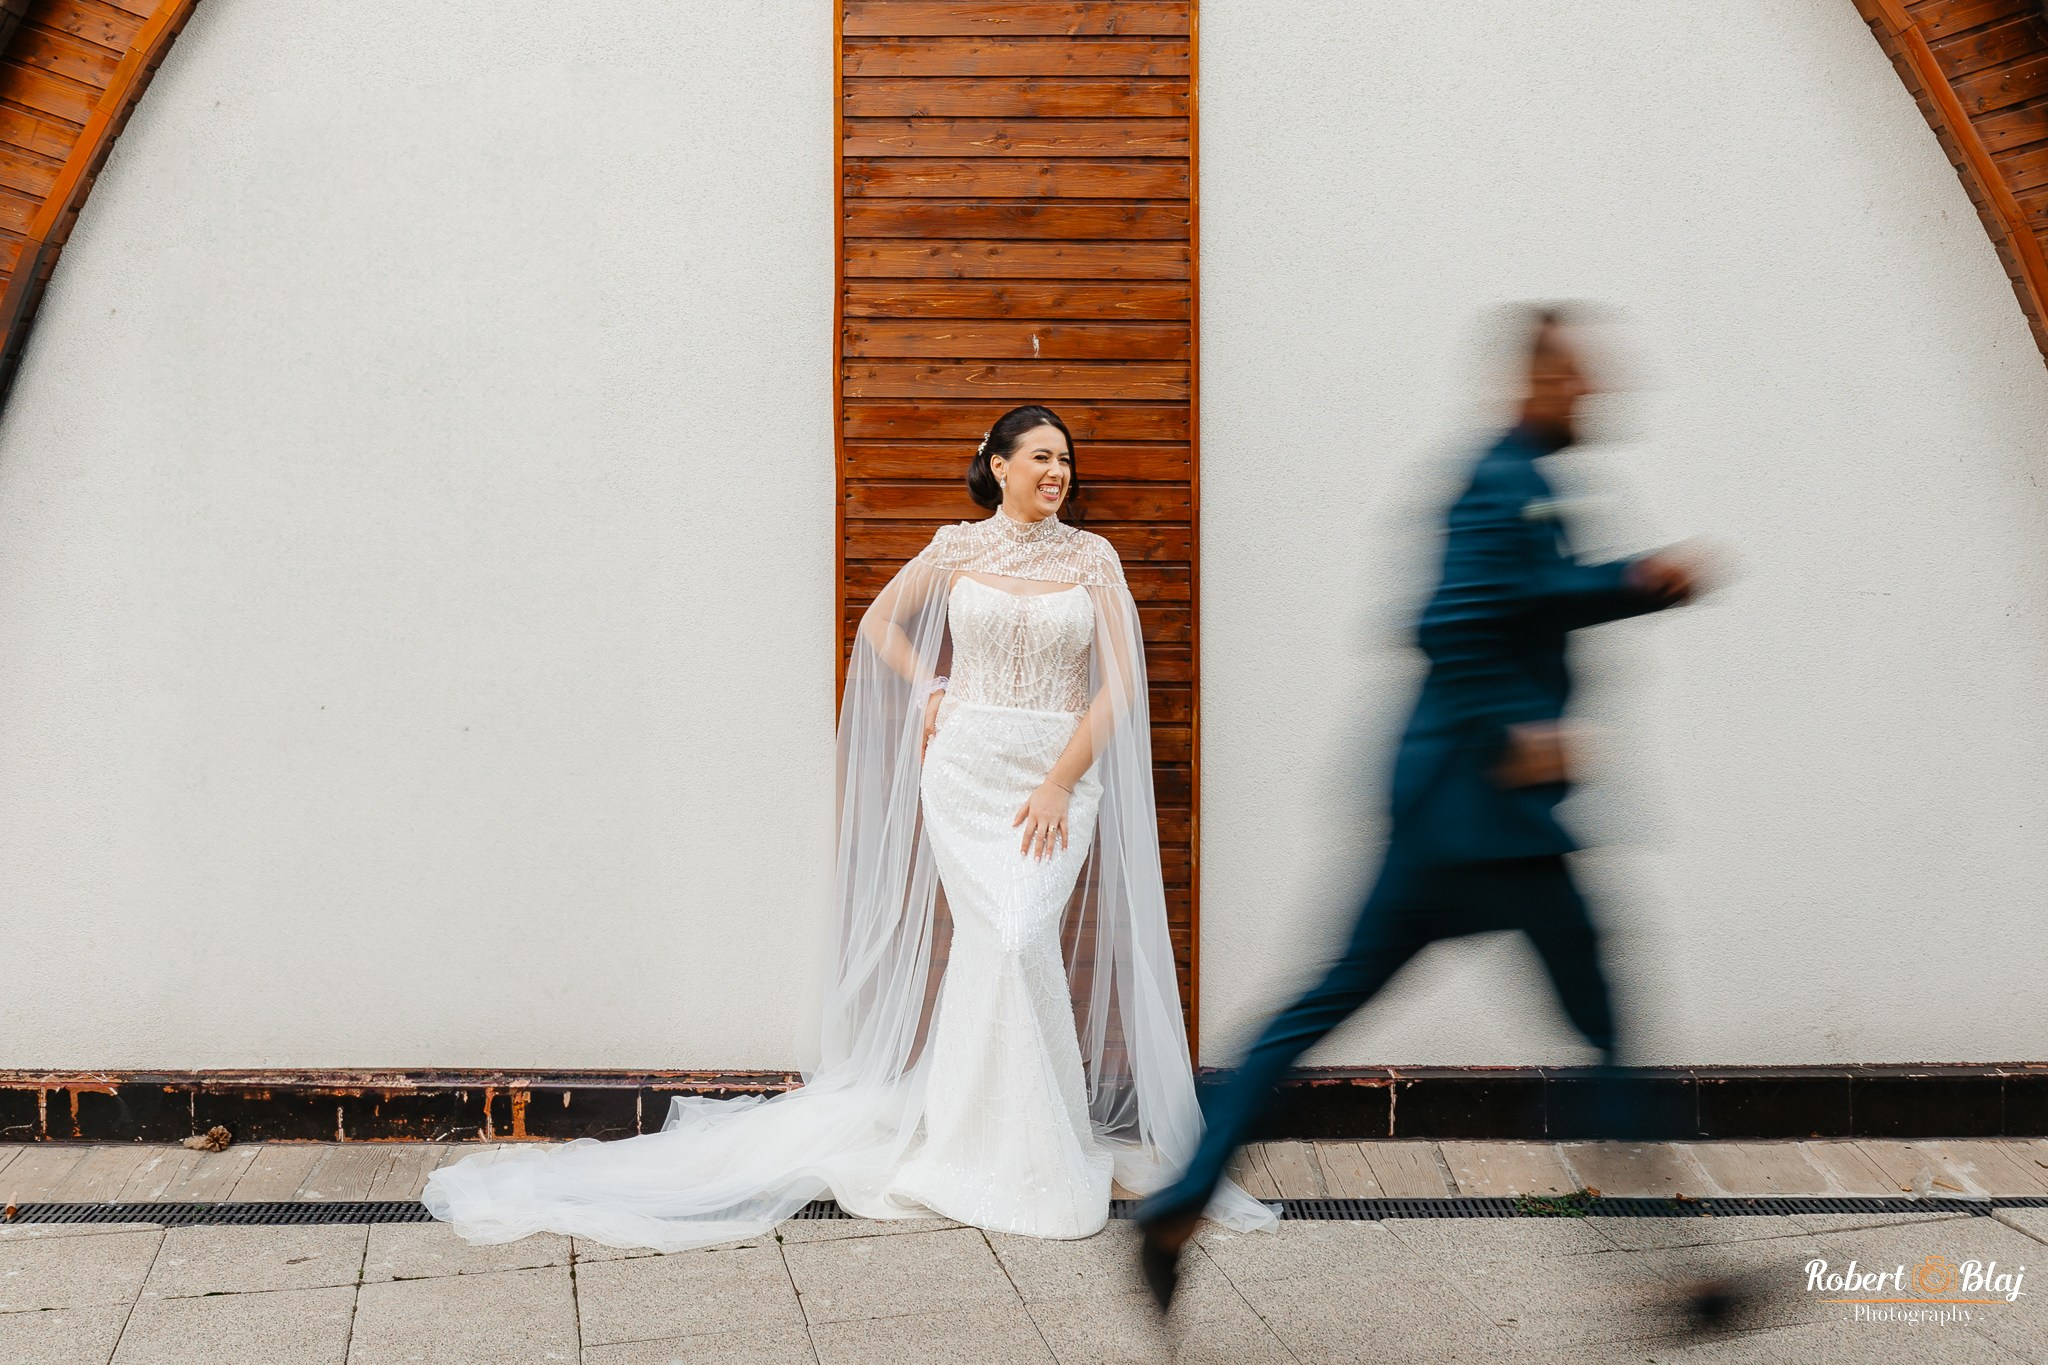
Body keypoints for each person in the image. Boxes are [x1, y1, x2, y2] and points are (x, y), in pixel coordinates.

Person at [424, 404, 1273, 1249]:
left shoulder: (1093, 559)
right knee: (998, 945)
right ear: (1001, 465)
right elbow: (879, 626)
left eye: (1066, 461)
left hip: (1053, 779)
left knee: (1019, 940)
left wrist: (1059, 781)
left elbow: (1119, 687)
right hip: (967, 772)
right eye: (1042, 457)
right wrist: (930, 690)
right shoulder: (956, 547)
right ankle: (989, 1140)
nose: (1058, 473)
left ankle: (1027, 1137)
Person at [1136, 309, 1705, 1308]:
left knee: (1312, 1014)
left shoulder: (1511, 478)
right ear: (1532, 383)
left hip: (1449, 820)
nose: (1591, 399)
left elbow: (1529, 597)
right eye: (1576, 382)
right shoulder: (1501, 480)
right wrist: (1517, 734)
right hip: (1488, 824)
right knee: (1604, 1023)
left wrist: (1634, 585)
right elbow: (1449, 622)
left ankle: (1180, 1200)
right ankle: (1663, 1278)